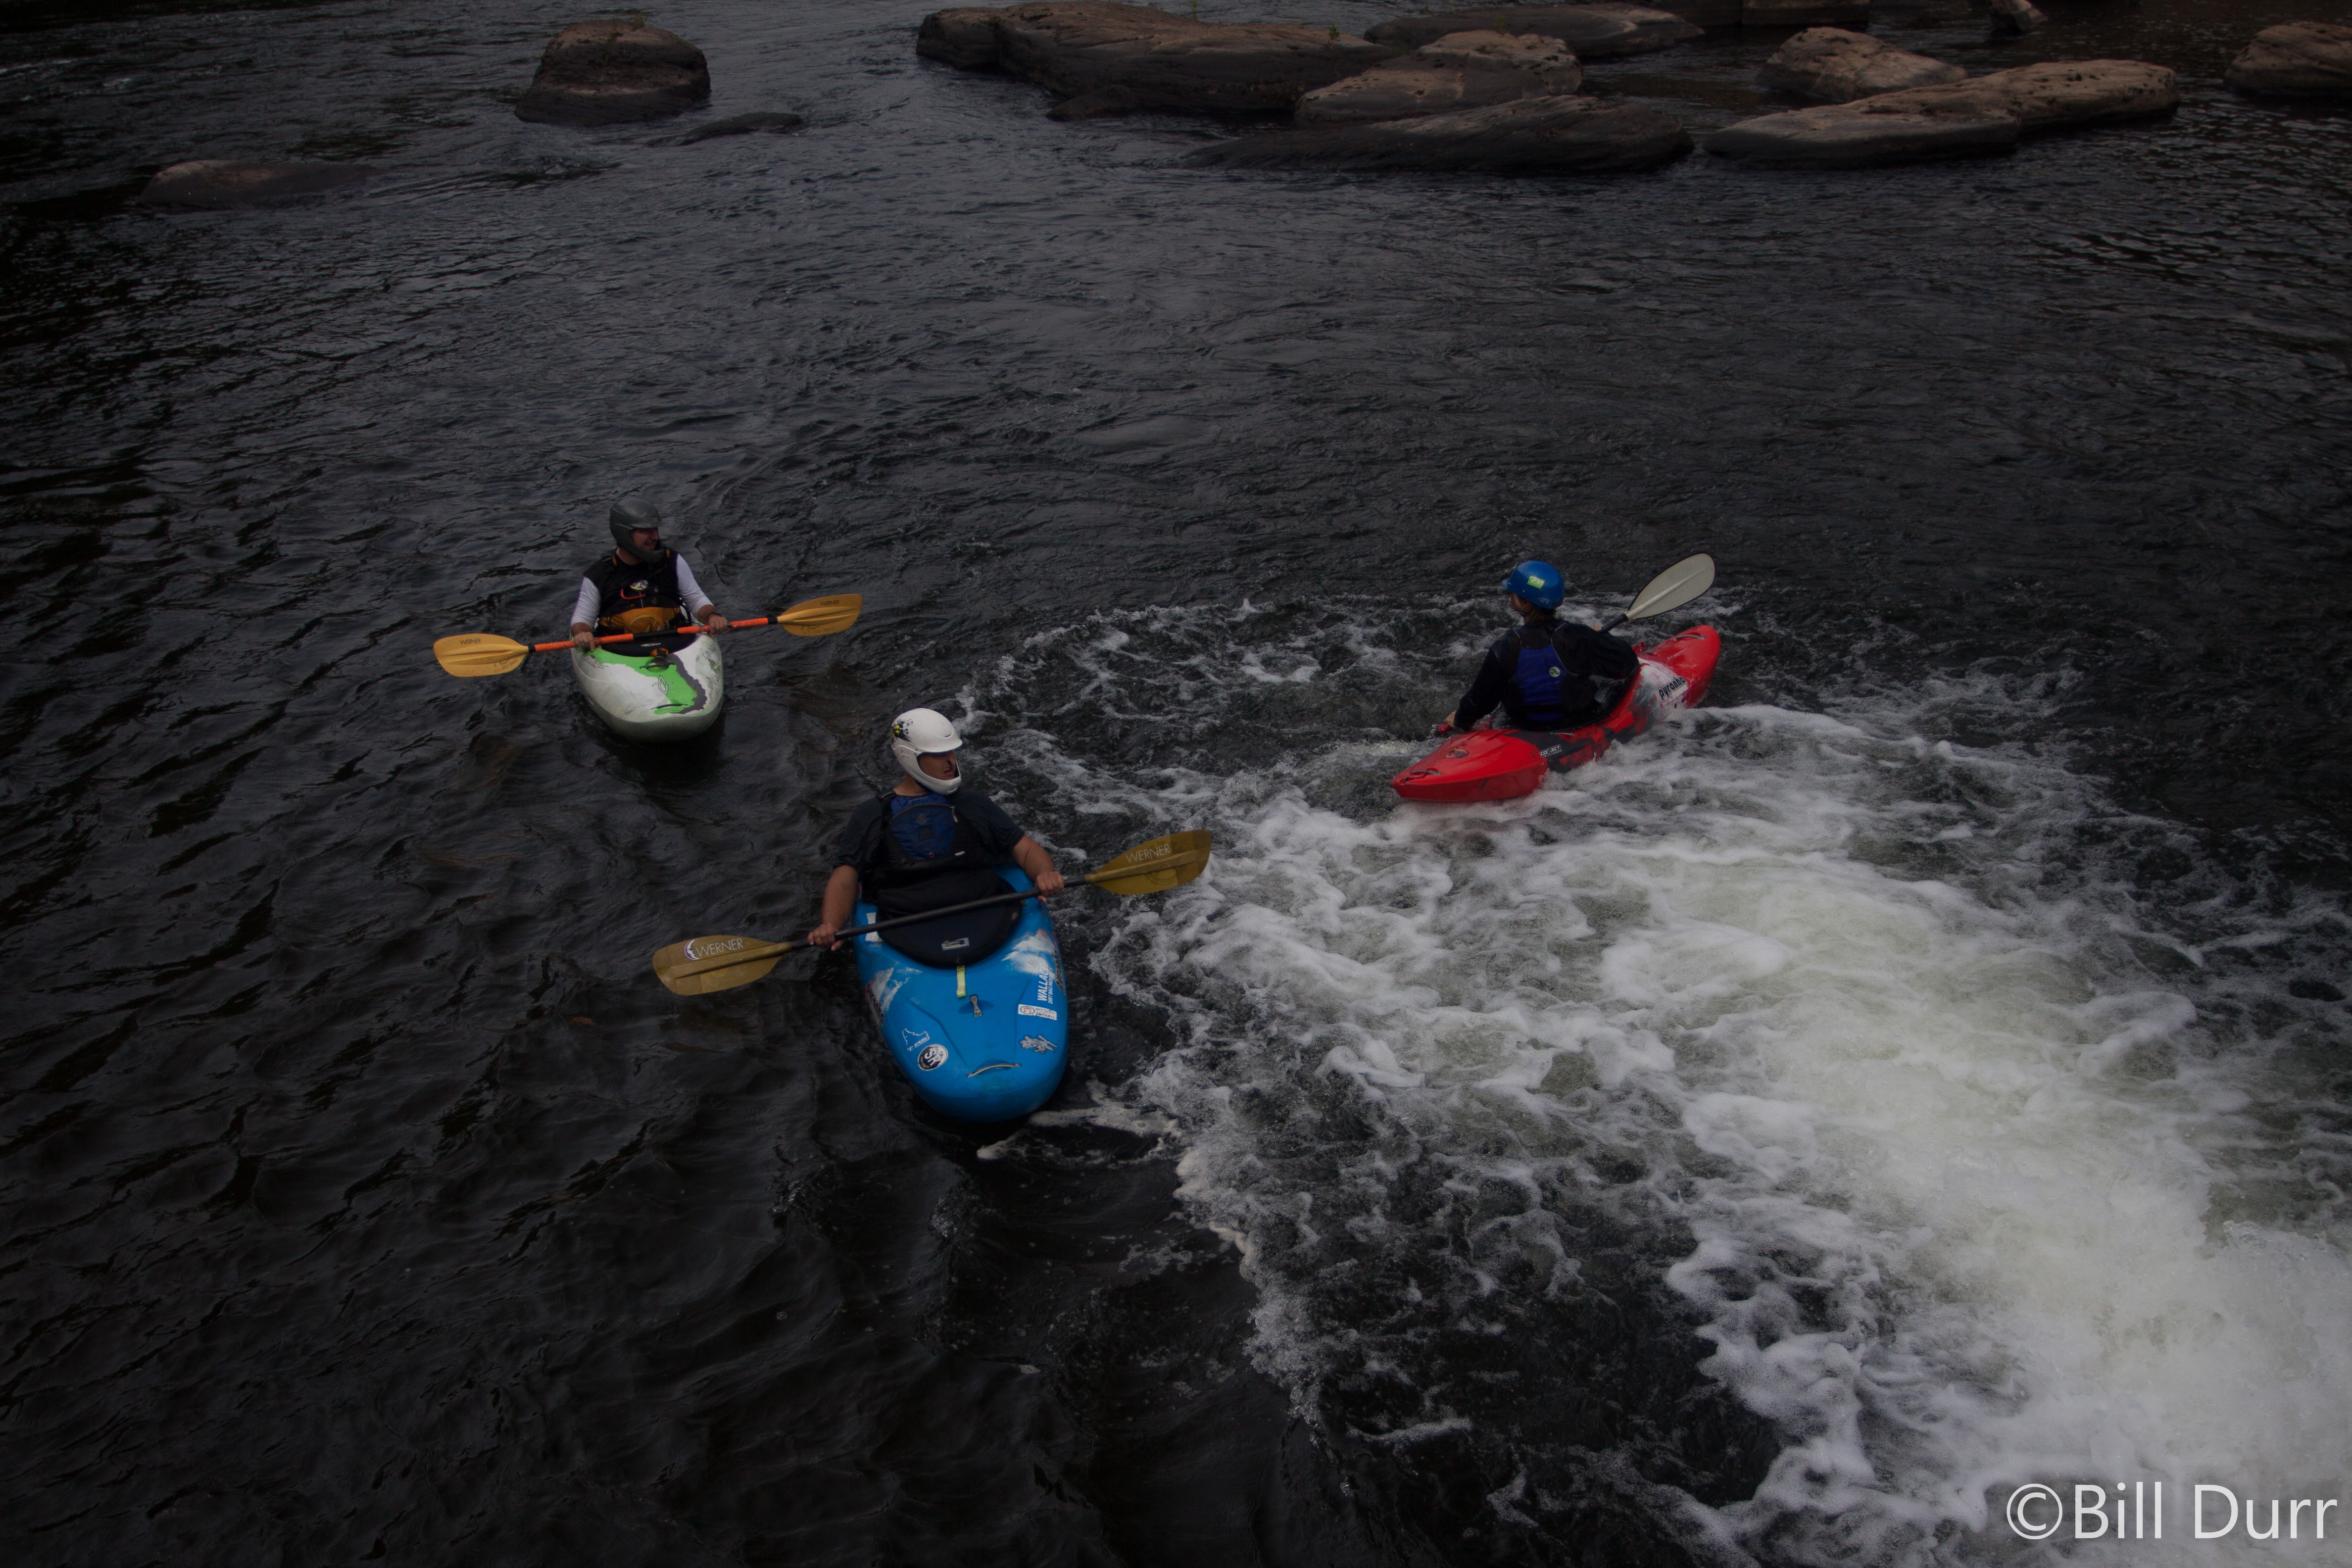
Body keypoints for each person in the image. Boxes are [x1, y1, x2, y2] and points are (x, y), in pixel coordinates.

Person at [807, 708, 1066, 952]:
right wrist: (830, 925)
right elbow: (846, 877)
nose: (950, 762)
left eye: (951, 752)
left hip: (986, 909)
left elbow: (1025, 849)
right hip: (905, 923)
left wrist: (1045, 874)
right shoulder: (873, 814)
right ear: (909, 756)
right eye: (938, 755)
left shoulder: (972, 803)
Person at [1438, 559, 1640, 735]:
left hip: (1526, 728)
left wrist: (1461, 719)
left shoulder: (1505, 646)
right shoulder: (1578, 636)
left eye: (1512, 593)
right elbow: (1628, 663)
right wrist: (1600, 636)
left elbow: (1481, 700)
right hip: (1577, 722)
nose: (1510, 595)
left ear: (1525, 603)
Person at [569, 498, 729, 649]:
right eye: (646, 531)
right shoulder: (598, 574)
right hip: (620, 650)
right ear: (624, 533)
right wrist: (582, 633)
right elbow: (582, 620)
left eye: (655, 530)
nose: (655, 537)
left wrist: (712, 616)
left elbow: (696, 600)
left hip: (675, 644)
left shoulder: (672, 561)